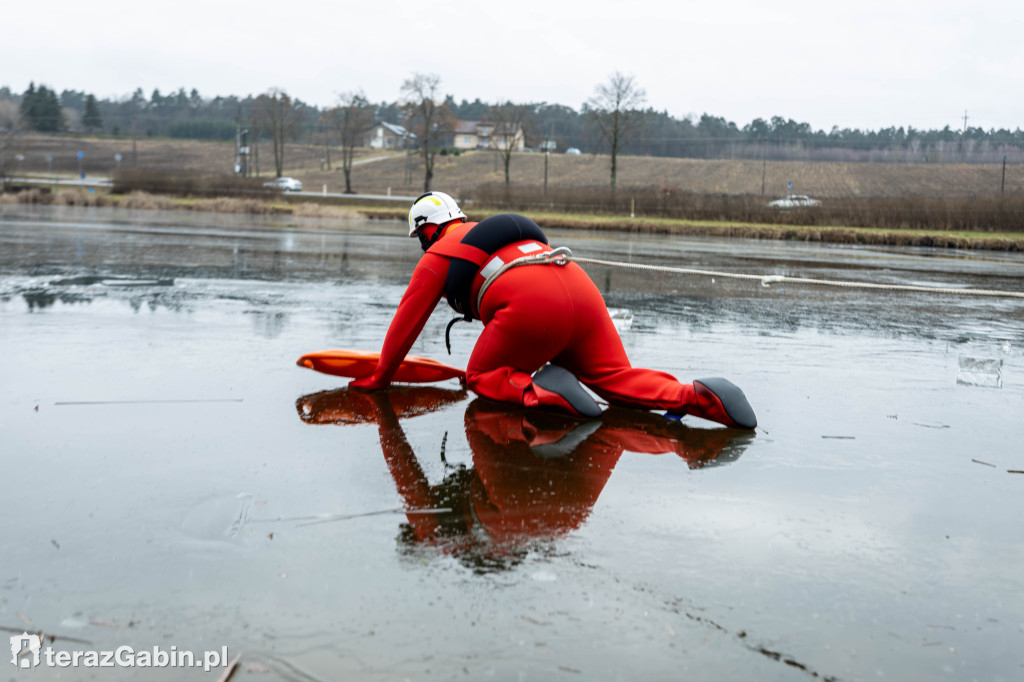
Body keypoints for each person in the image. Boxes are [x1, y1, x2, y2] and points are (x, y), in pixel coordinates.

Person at [349, 191, 757, 429]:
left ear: (426, 230)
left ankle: (541, 390)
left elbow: (407, 322)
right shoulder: (489, 234)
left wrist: (379, 379)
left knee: (481, 376)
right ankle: (698, 397)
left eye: (420, 235)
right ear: (459, 217)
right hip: (578, 288)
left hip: (529, 304)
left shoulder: (438, 253)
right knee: (614, 377)